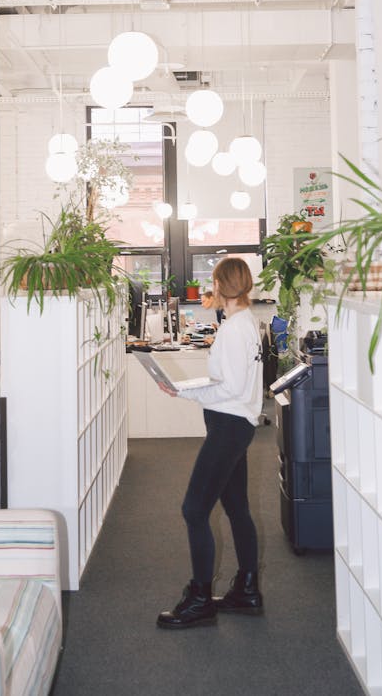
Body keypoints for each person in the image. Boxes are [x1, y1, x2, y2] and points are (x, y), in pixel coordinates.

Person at [156, 257, 264, 629]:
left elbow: (230, 388)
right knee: (236, 507)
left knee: (194, 510)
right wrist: (189, 390)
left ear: (219, 285)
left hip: (229, 426)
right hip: (238, 423)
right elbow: (235, 384)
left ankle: (200, 599)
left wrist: (183, 392)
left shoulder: (235, 329)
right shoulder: (245, 322)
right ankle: (246, 589)